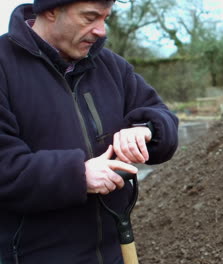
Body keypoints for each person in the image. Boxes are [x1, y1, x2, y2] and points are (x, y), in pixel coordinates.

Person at [0, 0, 179, 263]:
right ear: (51, 11)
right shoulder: (4, 66)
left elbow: (164, 119)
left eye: (105, 18)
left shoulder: (110, 66)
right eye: (90, 17)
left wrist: (145, 129)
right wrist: (78, 175)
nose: (101, 30)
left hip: (115, 251)